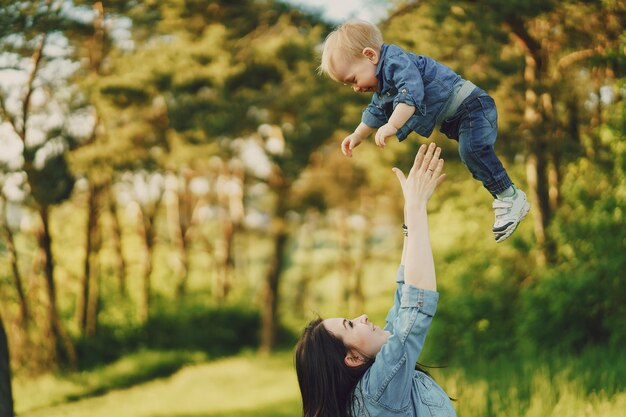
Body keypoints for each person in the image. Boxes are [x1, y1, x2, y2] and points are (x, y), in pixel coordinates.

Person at [319, 20, 530, 242]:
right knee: (470, 154)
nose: (356, 88)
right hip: (459, 117)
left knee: (472, 151)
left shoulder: (397, 63)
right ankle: (507, 196)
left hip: (472, 106)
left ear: (370, 55)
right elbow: (376, 110)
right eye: (349, 85)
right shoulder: (384, 84)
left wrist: (393, 125)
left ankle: (510, 197)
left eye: (353, 79)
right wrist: (358, 134)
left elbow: (411, 93)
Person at [295, 143, 456, 417]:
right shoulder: (378, 391)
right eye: (351, 324)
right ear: (353, 358)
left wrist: (410, 217)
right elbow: (415, 308)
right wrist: (416, 208)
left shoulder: (376, 381)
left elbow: (405, 294)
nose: (364, 317)